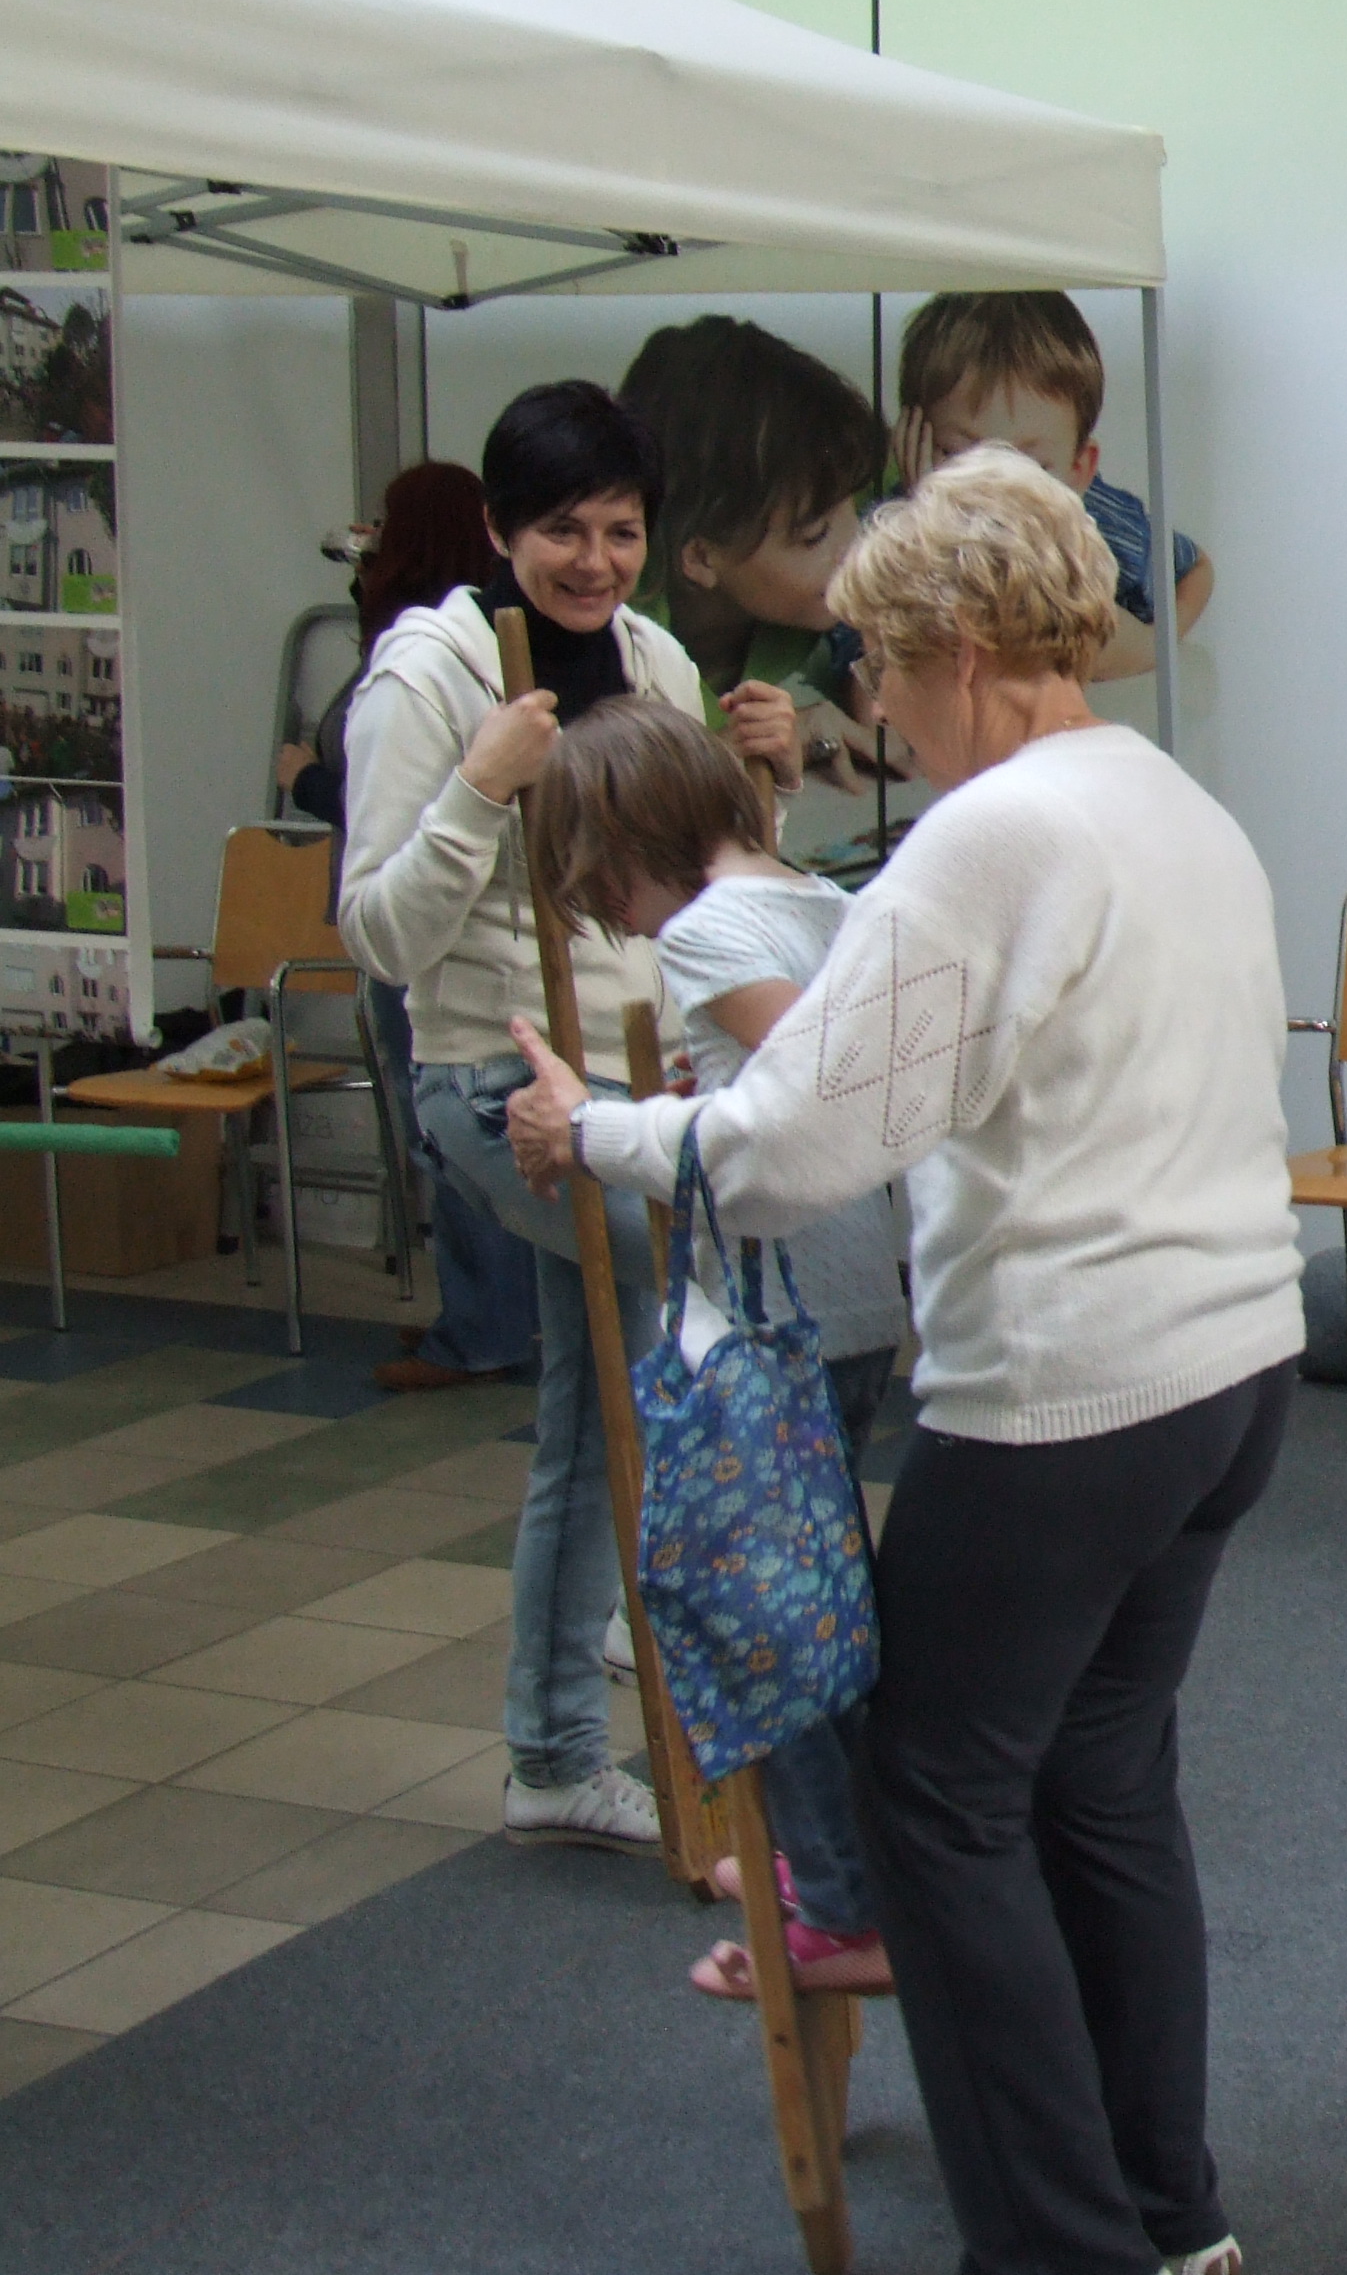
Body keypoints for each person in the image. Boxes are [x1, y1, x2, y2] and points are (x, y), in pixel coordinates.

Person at [503, 446, 1300, 2275]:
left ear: (961, 646)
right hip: (1233, 1364)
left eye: (875, 662)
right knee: (1100, 1784)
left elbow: (788, 1147)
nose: (872, 702)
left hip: (1071, 1393)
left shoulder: (996, 834)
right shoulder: (1170, 801)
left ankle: (1063, 2249)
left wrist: (602, 1131)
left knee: (931, 1807)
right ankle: (1167, 2223)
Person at [334, 383, 798, 1854]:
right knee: (693, 1309)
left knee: (591, 1416)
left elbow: (707, 887)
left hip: (637, 1083)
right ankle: (644, 1638)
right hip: (499, 1082)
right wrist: (480, 790)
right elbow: (377, 937)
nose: (594, 562)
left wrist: (771, 784)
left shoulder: (654, 659)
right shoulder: (428, 677)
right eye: (561, 532)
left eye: (620, 531)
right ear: (497, 528)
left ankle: (551, 1751)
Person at [520, 696, 906, 2001]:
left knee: (761, 1617)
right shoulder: (816, 899)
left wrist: (590, 1129)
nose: (623, 923)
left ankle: (843, 1898)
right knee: (812, 1597)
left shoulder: (705, 930)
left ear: (625, 842)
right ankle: (837, 1866)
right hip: (848, 1303)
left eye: (605, 892)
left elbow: (817, 1096)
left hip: (775, 1314)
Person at [277, 460, 540, 1397]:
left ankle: (485, 1328)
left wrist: (305, 780)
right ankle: (491, 1316)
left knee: (448, 1130)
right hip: (444, 920)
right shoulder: (459, 640)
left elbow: (380, 795)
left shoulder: (423, 661)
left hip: (429, 926)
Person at [616, 314, 894, 791]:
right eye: (814, 536)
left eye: (859, 508)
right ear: (701, 558)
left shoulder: (830, 485)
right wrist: (745, 749)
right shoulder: (619, 643)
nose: (856, 547)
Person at [894, 289, 1212, 684]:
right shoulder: (889, 537)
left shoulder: (1099, 520)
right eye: (958, 456)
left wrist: (1152, 647)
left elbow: (1195, 568)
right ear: (909, 441)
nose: (995, 493)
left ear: (1078, 471)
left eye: (1031, 467)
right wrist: (927, 528)